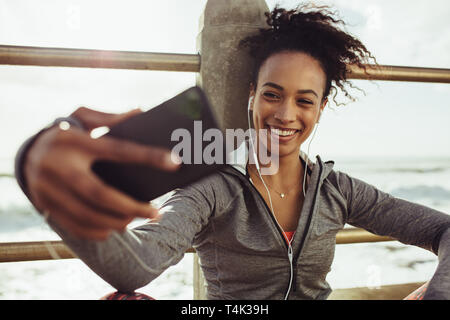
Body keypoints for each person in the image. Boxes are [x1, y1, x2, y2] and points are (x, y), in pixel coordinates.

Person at [14, 4, 450, 300]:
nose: (285, 114)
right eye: (272, 94)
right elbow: (135, 267)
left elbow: (444, 231)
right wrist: (37, 172)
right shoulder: (213, 186)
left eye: (304, 100)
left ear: (320, 108)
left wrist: (436, 293)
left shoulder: (336, 189)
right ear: (252, 95)